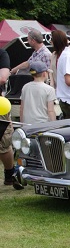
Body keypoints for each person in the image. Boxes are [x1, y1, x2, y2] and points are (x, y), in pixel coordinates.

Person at [1, 47, 14, 185]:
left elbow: (3, 78)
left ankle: (10, 174)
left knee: (4, 140)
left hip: (0, 104)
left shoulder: (1, 54)